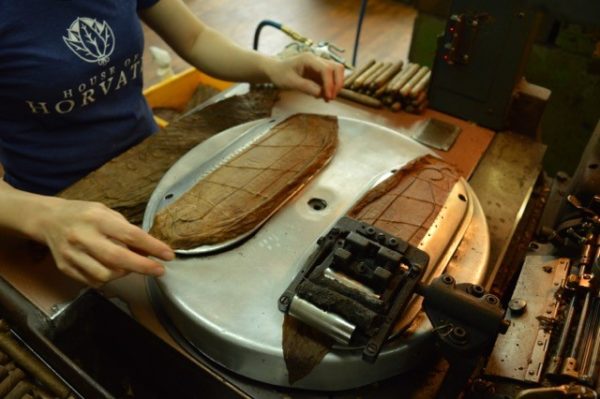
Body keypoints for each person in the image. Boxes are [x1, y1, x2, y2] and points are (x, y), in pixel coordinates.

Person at [0, 0, 345, 287]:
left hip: (153, 163)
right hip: (59, 206)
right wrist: (46, 218)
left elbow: (195, 38)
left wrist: (271, 67)